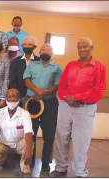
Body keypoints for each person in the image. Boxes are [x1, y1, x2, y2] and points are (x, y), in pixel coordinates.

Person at [50, 37, 107, 178]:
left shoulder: (99, 67)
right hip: (65, 106)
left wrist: (77, 97)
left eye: (85, 46)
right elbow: (62, 86)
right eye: (79, 46)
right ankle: (60, 167)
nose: (82, 49)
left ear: (91, 48)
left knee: (81, 140)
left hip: (85, 108)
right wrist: (67, 98)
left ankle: (80, 172)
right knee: (61, 137)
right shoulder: (70, 65)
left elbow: (98, 90)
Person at [23, 43, 62, 171]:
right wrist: (36, 90)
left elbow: (57, 84)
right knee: (31, 132)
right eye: (43, 49)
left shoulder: (57, 67)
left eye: (48, 50)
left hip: (49, 102)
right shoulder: (32, 65)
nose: (45, 51)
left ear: (52, 54)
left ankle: (46, 163)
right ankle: (30, 160)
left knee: (49, 134)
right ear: (39, 52)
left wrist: (45, 92)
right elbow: (26, 79)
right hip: (32, 102)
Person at [0, 88, 33, 177]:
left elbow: (28, 133)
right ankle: (1, 162)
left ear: (19, 98)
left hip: (18, 144)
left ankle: (25, 170)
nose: (12, 99)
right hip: (3, 144)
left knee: (28, 144)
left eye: (14, 96)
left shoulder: (25, 114)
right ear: (6, 99)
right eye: (9, 97)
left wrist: (29, 151)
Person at [9, 35, 40, 104]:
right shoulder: (15, 61)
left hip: (36, 96)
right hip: (19, 97)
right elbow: (12, 80)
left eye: (29, 44)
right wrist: (16, 95)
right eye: (25, 44)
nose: (27, 46)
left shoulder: (39, 61)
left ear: (34, 47)